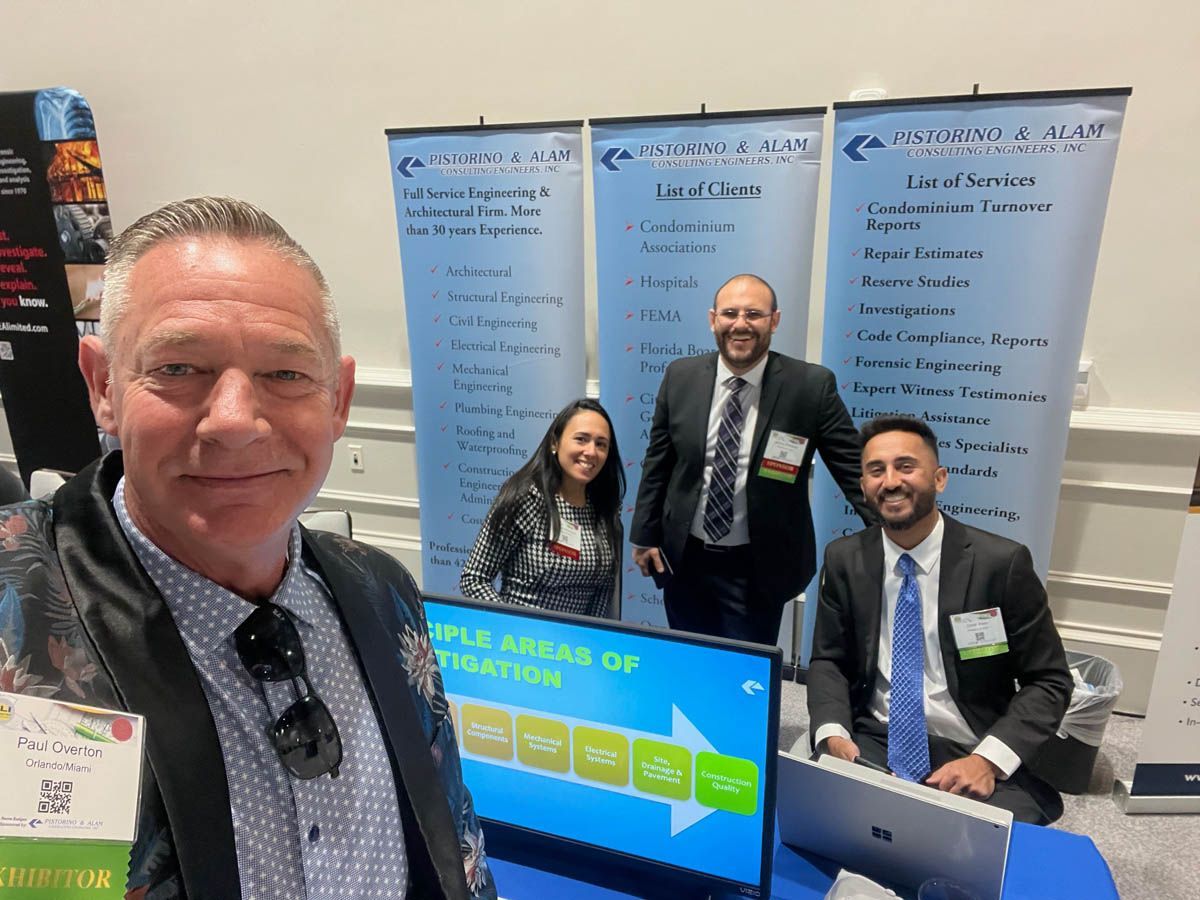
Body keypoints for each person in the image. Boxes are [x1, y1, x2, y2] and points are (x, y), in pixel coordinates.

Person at [0, 197, 496, 898]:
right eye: (178, 368)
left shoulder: (383, 593)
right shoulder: (12, 625)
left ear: (339, 399)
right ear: (103, 384)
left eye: (285, 374)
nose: (234, 421)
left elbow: (456, 841)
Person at [807, 415, 1073, 825]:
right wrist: (832, 733)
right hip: (875, 740)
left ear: (940, 479)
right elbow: (829, 661)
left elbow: (1049, 680)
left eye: (906, 466)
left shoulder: (999, 564)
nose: (890, 481)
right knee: (814, 829)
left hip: (968, 745)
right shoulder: (844, 559)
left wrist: (988, 760)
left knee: (986, 862)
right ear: (863, 487)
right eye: (876, 471)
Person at [630, 273, 873, 644]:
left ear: (774, 321)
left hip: (759, 567)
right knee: (689, 662)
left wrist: (895, 534)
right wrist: (644, 535)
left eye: (753, 314)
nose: (740, 324)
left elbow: (853, 469)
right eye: (730, 313)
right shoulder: (681, 376)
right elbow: (658, 461)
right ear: (714, 319)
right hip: (686, 559)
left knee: (748, 677)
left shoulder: (809, 387)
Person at [461, 398, 625, 618]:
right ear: (555, 443)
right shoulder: (527, 498)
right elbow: (474, 578)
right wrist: (516, 628)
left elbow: (602, 591)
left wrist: (591, 635)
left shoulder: (605, 509)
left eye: (601, 444)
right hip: (523, 642)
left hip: (576, 645)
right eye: (581, 439)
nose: (591, 451)